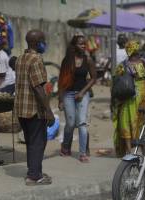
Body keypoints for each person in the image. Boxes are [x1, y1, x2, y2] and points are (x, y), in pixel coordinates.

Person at [14, 29, 55, 185]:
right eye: (43, 40)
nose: (44, 43)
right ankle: (34, 177)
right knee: (38, 142)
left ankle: (34, 171)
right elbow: (38, 88)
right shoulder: (36, 59)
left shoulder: (20, 59)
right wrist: (48, 111)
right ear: (36, 43)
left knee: (31, 142)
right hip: (34, 110)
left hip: (21, 109)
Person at [113, 40, 145, 157]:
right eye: (136, 50)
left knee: (132, 124)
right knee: (137, 124)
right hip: (131, 100)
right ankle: (134, 151)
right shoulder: (143, 64)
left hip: (134, 101)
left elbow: (115, 83)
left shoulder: (124, 65)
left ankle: (133, 151)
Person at [58, 35, 96, 163]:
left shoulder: (88, 60)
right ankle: (65, 146)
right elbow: (61, 81)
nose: (83, 46)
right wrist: (60, 100)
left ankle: (82, 153)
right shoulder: (67, 61)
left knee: (82, 123)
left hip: (82, 94)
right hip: (68, 94)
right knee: (70, 123)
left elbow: (93, 78)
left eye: (84, 44)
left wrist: (82, 92)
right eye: (80, 44)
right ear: (74, 46)